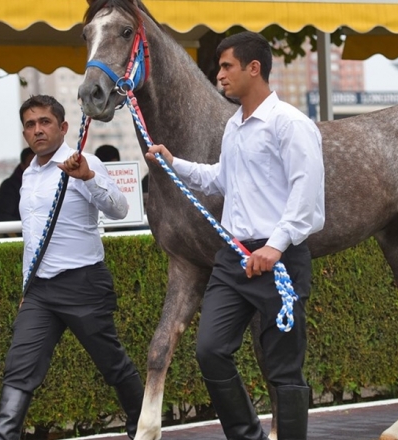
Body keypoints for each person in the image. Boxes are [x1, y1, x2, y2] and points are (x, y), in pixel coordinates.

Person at [146, 32, 324, 440]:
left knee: (283, 368)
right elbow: (219, 180)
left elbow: (306, 194)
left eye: (226, 66)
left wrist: (275, 248)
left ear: (253, 68)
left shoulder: (291, 125)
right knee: (210, 352)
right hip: (233, 258)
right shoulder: (234, 126)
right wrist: (174, 162)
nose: (219, 75)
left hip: (278, 260)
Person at [0, 95, 144, 440]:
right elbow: (33, 239)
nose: (37, 129)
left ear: (63, 127)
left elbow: (119, 209)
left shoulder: (84, 161)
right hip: (40, 290)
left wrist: (87, 178)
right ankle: (1, 435)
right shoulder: (29, 174)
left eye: (45, 122)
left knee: (112, 365)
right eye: (30, 124)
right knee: (19, 367)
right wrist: (28, 290)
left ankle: (143, 428)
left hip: (83, 283)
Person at [0, 148, 35, 222]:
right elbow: (2, 216)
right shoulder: (9, 187)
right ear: (22, 165)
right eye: (32, 164)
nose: (36, 167)